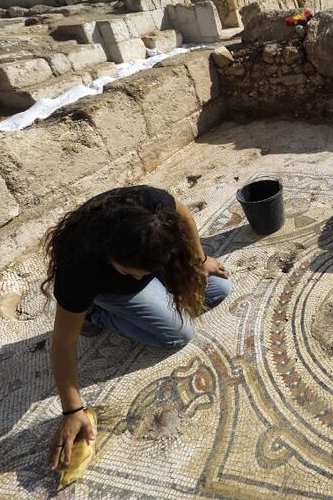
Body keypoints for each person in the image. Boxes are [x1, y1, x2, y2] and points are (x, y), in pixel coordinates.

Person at [43, 185, 231, 471]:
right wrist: (72, 409)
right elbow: (62, 343)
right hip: (109, 289)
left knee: (219, 288)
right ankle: (95, 314)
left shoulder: (153, 209)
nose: (139, 275)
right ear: (111, 256)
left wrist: (200, 260)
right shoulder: (79, 271)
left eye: (145, 271)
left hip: (146, 257)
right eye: (131, 271)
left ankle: (150, 286)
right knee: (177, 334)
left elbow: (185, 216)